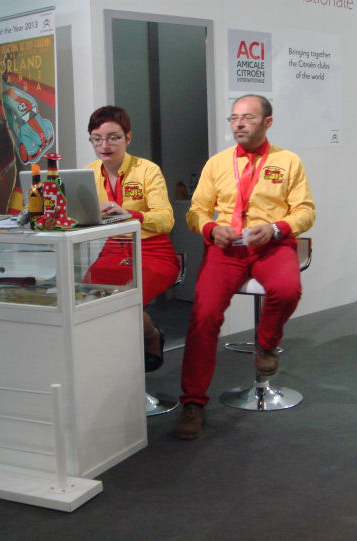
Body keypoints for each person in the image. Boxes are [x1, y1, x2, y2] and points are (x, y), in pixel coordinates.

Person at [174, 94, 316, 439]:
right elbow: (195, 212)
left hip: (272, 245)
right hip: (227, 248)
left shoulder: (288, 161)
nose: (239, 123)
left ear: (267, 122)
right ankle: (193, 402)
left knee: (287, 290)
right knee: (204, 316)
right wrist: (211, 228)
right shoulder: (217, 164)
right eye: (234, 117)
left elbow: (305, 211)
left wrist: (277, 228)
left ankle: (266, 343)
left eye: (248, 118)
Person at [84, 106, 179, 371]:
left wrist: (132, 215)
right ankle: (106, 370)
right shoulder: (88, 173)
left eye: (113, 137)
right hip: (113, 249)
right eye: (96, 139)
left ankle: (148, 339)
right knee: (86, 299)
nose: (104, 146)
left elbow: (166, 220)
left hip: (153, 250)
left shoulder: (147, 170)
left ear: (128, 137)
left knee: (123, 301)